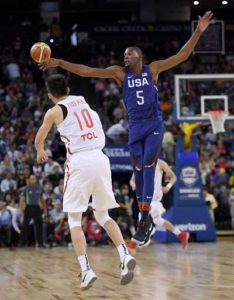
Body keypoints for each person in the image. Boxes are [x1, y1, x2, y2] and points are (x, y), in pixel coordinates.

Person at [39, 11, 213, 245]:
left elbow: (182, 55)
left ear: (139, 57)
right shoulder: (118, 73)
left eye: (129, 55)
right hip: (135, 127)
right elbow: (87, 71)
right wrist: (59, 62)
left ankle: (143, 219)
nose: (125, 57)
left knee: (149, 164)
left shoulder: (153, 69)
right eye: (124, 55)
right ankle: (145, 218)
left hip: (153, 125)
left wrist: (198, 32)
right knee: (139, 171)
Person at [34, 74, 136, 290]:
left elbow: (39, 137)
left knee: (74, 220)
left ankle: (86, 270)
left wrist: (40, 150)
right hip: (101, 158)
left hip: (80, 160)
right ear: (69, 89)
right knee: (102, 215)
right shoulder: (82, 100)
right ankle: (124, 254)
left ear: (50, 95)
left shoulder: (53, 111)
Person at [130, 159, 190, 249]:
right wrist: (133, 185)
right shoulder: (139, 163)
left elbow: (173, 177)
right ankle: (181, 234)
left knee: (142, 216)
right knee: (158, 220)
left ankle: (134, 243)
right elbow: (132, 180)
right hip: (144, 198)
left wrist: (168, 187)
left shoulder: (160, 163)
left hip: (155, 199)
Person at [19, 174, 46, 248]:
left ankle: (40, 243)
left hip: (37, 208)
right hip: (28, 208)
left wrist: (45, 208)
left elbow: (42, 199)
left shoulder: (39, 188)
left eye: (34, 178)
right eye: (31, 179)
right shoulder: (26, 188)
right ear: (29, 180)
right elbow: (22, 200)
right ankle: (22, 243)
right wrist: (21, 210)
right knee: (25, 226)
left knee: (39, 226)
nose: (33, 180)